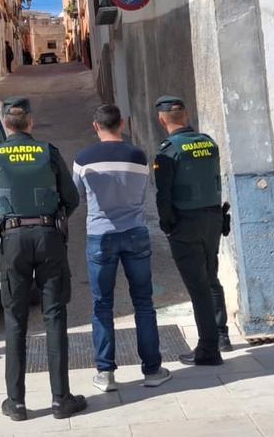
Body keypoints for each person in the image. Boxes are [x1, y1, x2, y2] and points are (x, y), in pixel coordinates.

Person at [0, 97, 87, 422]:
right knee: (54, 316)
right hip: (49, 237)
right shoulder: (48, 152)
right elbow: (72, 198)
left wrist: (2, 223)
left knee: (15, 321)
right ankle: (60, 400)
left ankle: (17, 403)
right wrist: (54, 219)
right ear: (30, 122)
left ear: (6, 125)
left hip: (12, 240)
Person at [73, 104, 172, 392]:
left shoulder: (83, 159)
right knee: (144, 303)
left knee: (102, 305)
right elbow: (144, 190)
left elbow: (77, 194)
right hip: (135, 233)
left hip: (100, 236)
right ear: (123, 123)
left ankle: (105, 373)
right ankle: (152, 370)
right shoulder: (138, 155)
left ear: (95, 126)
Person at [152, 96, 232, 366]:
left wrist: (167, 224)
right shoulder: (208, 142)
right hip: (212, 219)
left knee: (197, 286)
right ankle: (221, 335)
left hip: (185, 223)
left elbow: (164, 195)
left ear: (162, 119)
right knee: (210, 278)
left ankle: (208, 349)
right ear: (185, 115)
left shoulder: (169, 150)